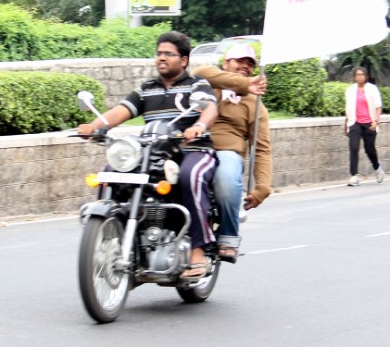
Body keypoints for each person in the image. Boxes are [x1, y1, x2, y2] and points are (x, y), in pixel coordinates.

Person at [77, 31, 219, 277]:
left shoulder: (196, 85)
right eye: (159, 53)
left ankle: (198, 249)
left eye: (168, 54)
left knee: (189, 177)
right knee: (111, 172)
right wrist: (94, 126)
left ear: (183, 60)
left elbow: (210, 109)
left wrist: (198, 126)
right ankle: (108, 236)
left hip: (193, 150)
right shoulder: (146, 89)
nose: (161, 58)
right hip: (153, 152)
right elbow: (120, 111)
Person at [191, 43, 272, 262]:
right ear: (226, 62)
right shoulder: (206, 84)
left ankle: (227, 235)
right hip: (192, 145)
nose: (245, 66)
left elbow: (262, 149)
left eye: (250, 64)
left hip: (226, 152)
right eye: (239, 61)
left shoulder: (255, 104)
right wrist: (244, 84)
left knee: (226, 179)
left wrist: (262, 188)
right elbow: (199, 72)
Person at [344, 67, 384, 186]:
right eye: (357, 74)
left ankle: (377, 167)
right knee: (354, 147)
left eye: (362, 74)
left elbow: (378, 106)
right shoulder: (350, 90)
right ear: (355, 77)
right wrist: (347, 124)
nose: (360, 76)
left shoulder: (372, 89)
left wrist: (376, 121)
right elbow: (348, 109)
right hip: (355, 122)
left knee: (369, 149)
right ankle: (354, 175)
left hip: (369, 123)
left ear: (366, 76)